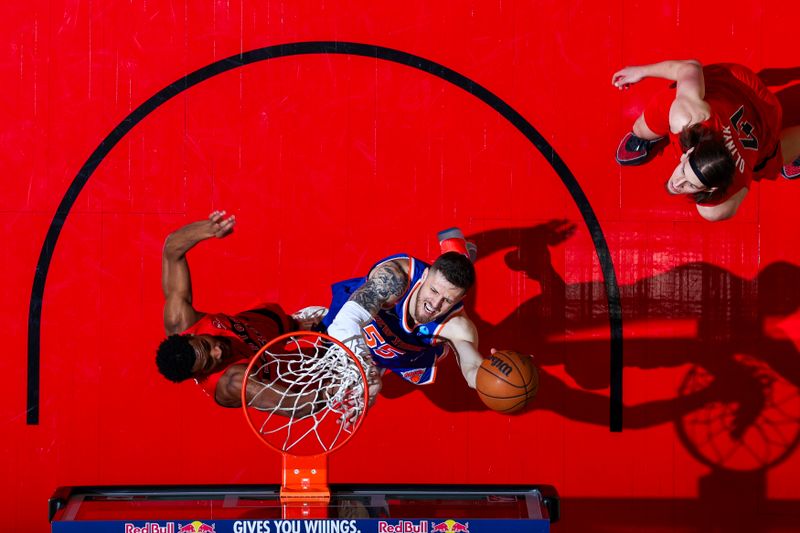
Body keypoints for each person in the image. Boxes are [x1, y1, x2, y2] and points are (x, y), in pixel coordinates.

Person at [155, 210, 327, 411]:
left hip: (256, 329)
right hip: (280, 369)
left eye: (206, 344)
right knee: (328, 367)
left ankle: (291, 324)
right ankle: (335, 368)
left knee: (261, 317)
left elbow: (172, 249)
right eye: (209, 362)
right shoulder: (233, 383)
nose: (217, 351)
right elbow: (292, 405)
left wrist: (206, 230)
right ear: (198, 374)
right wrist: (333, 393)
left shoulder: (180, 319)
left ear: (190, 334)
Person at [613, 59, 800, 221]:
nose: (677, 183)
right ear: (688, 154)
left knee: (766, 160)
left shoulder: (724, 203)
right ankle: (647, 137)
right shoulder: (688, 117)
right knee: (643, 126)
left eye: (690, 184)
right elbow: (690, 67)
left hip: (758, 121)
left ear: (712, 189)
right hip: (737, 85)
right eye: (684, 172)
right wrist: (641, 71)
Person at [322, 228, 486, 403]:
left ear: (461, 299)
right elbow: (347, 322)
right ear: (424, 275)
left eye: (447, 300)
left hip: (407, 348)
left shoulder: (458, 326)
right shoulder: (396, 278)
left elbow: (472, 367)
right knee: (327, 332)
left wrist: (490, 377)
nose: (435, 304)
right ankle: (458, 252)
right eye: (433, 290)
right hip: (368, 320)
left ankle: (458, 256)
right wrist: (367, 372)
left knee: (386, 391)